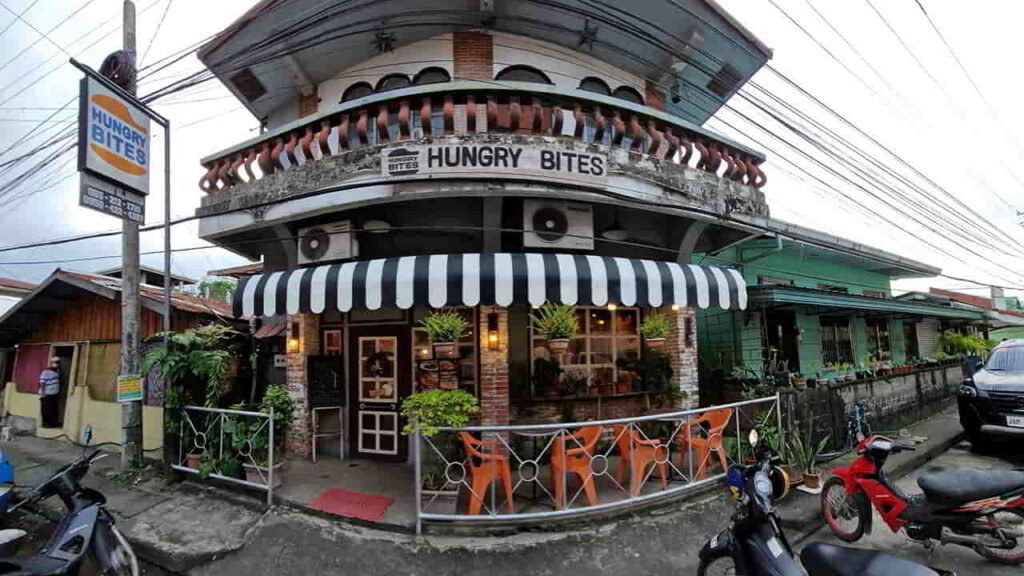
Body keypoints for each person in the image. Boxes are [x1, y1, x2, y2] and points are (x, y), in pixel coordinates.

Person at [38, 358, 61, 428]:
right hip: (47, 394)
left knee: (53, 410)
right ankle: (46, 423)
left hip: (54, 395)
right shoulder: (46, 372)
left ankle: (53, 423)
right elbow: (42, 383)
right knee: (46, 410)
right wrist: (43, 393)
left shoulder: (57, 373)